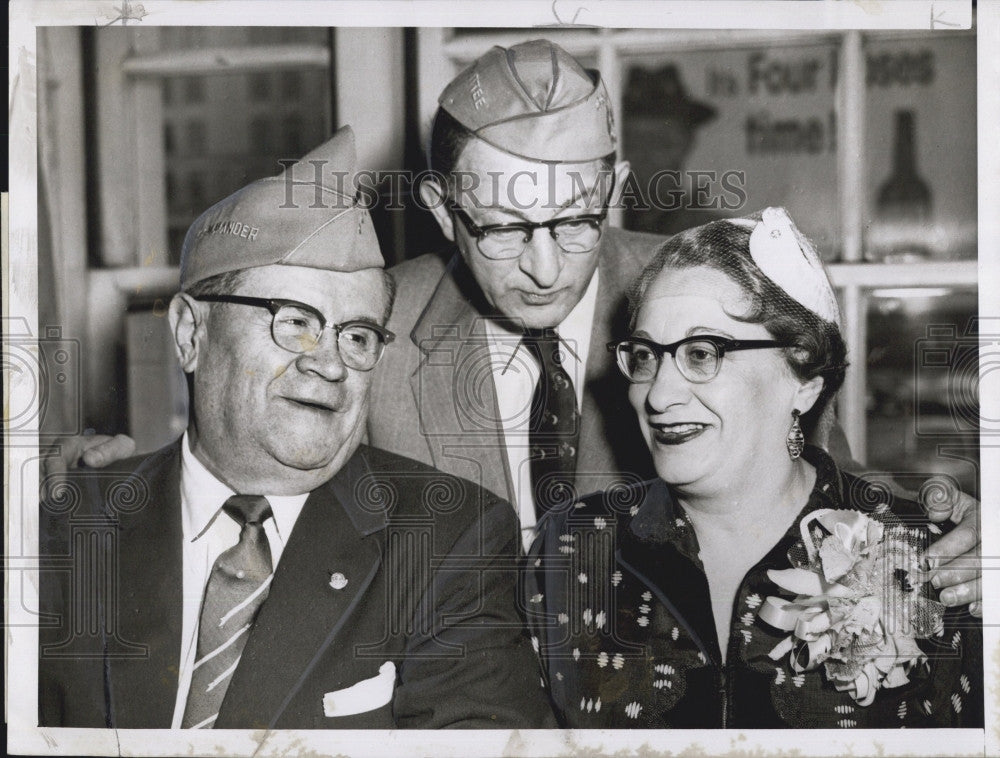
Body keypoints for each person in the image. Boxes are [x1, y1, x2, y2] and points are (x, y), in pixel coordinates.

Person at [49, 39, 981, 608]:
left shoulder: (714, 302)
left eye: (575, 219)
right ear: (444, 211)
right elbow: (258, 456)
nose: (544, 265)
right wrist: (113, 478)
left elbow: (834, 505)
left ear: (613, 188)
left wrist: (941, 542)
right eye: (499, 226)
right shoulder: (378, 323)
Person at [38, 127, 554, 729]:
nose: (330, 363)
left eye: (358, 335)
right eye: (295, 322)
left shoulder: (448, 541)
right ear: (189, 334)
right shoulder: (65, 525)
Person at [525, 208, 982, 728]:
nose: (659, 393)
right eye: (647, 355)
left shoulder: (934, 561)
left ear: (804, 377)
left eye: (702, 353)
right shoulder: (572, 545)